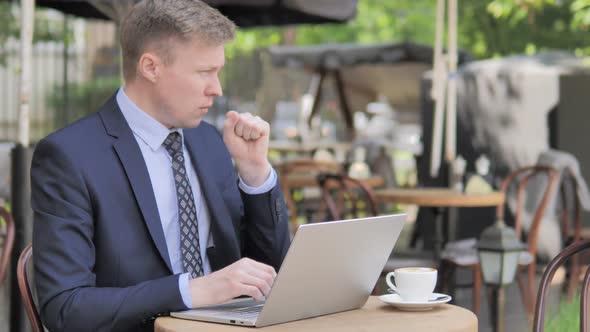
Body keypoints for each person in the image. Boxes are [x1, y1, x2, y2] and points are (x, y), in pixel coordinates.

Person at [30, 1, 290, 331]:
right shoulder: (69, 156)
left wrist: (255, 174)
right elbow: (65, 310)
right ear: (150, 67)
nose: (217, 89)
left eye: (218, 71)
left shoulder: (211, 142)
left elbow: (271, 270)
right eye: (204, 72)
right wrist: (190, 291)